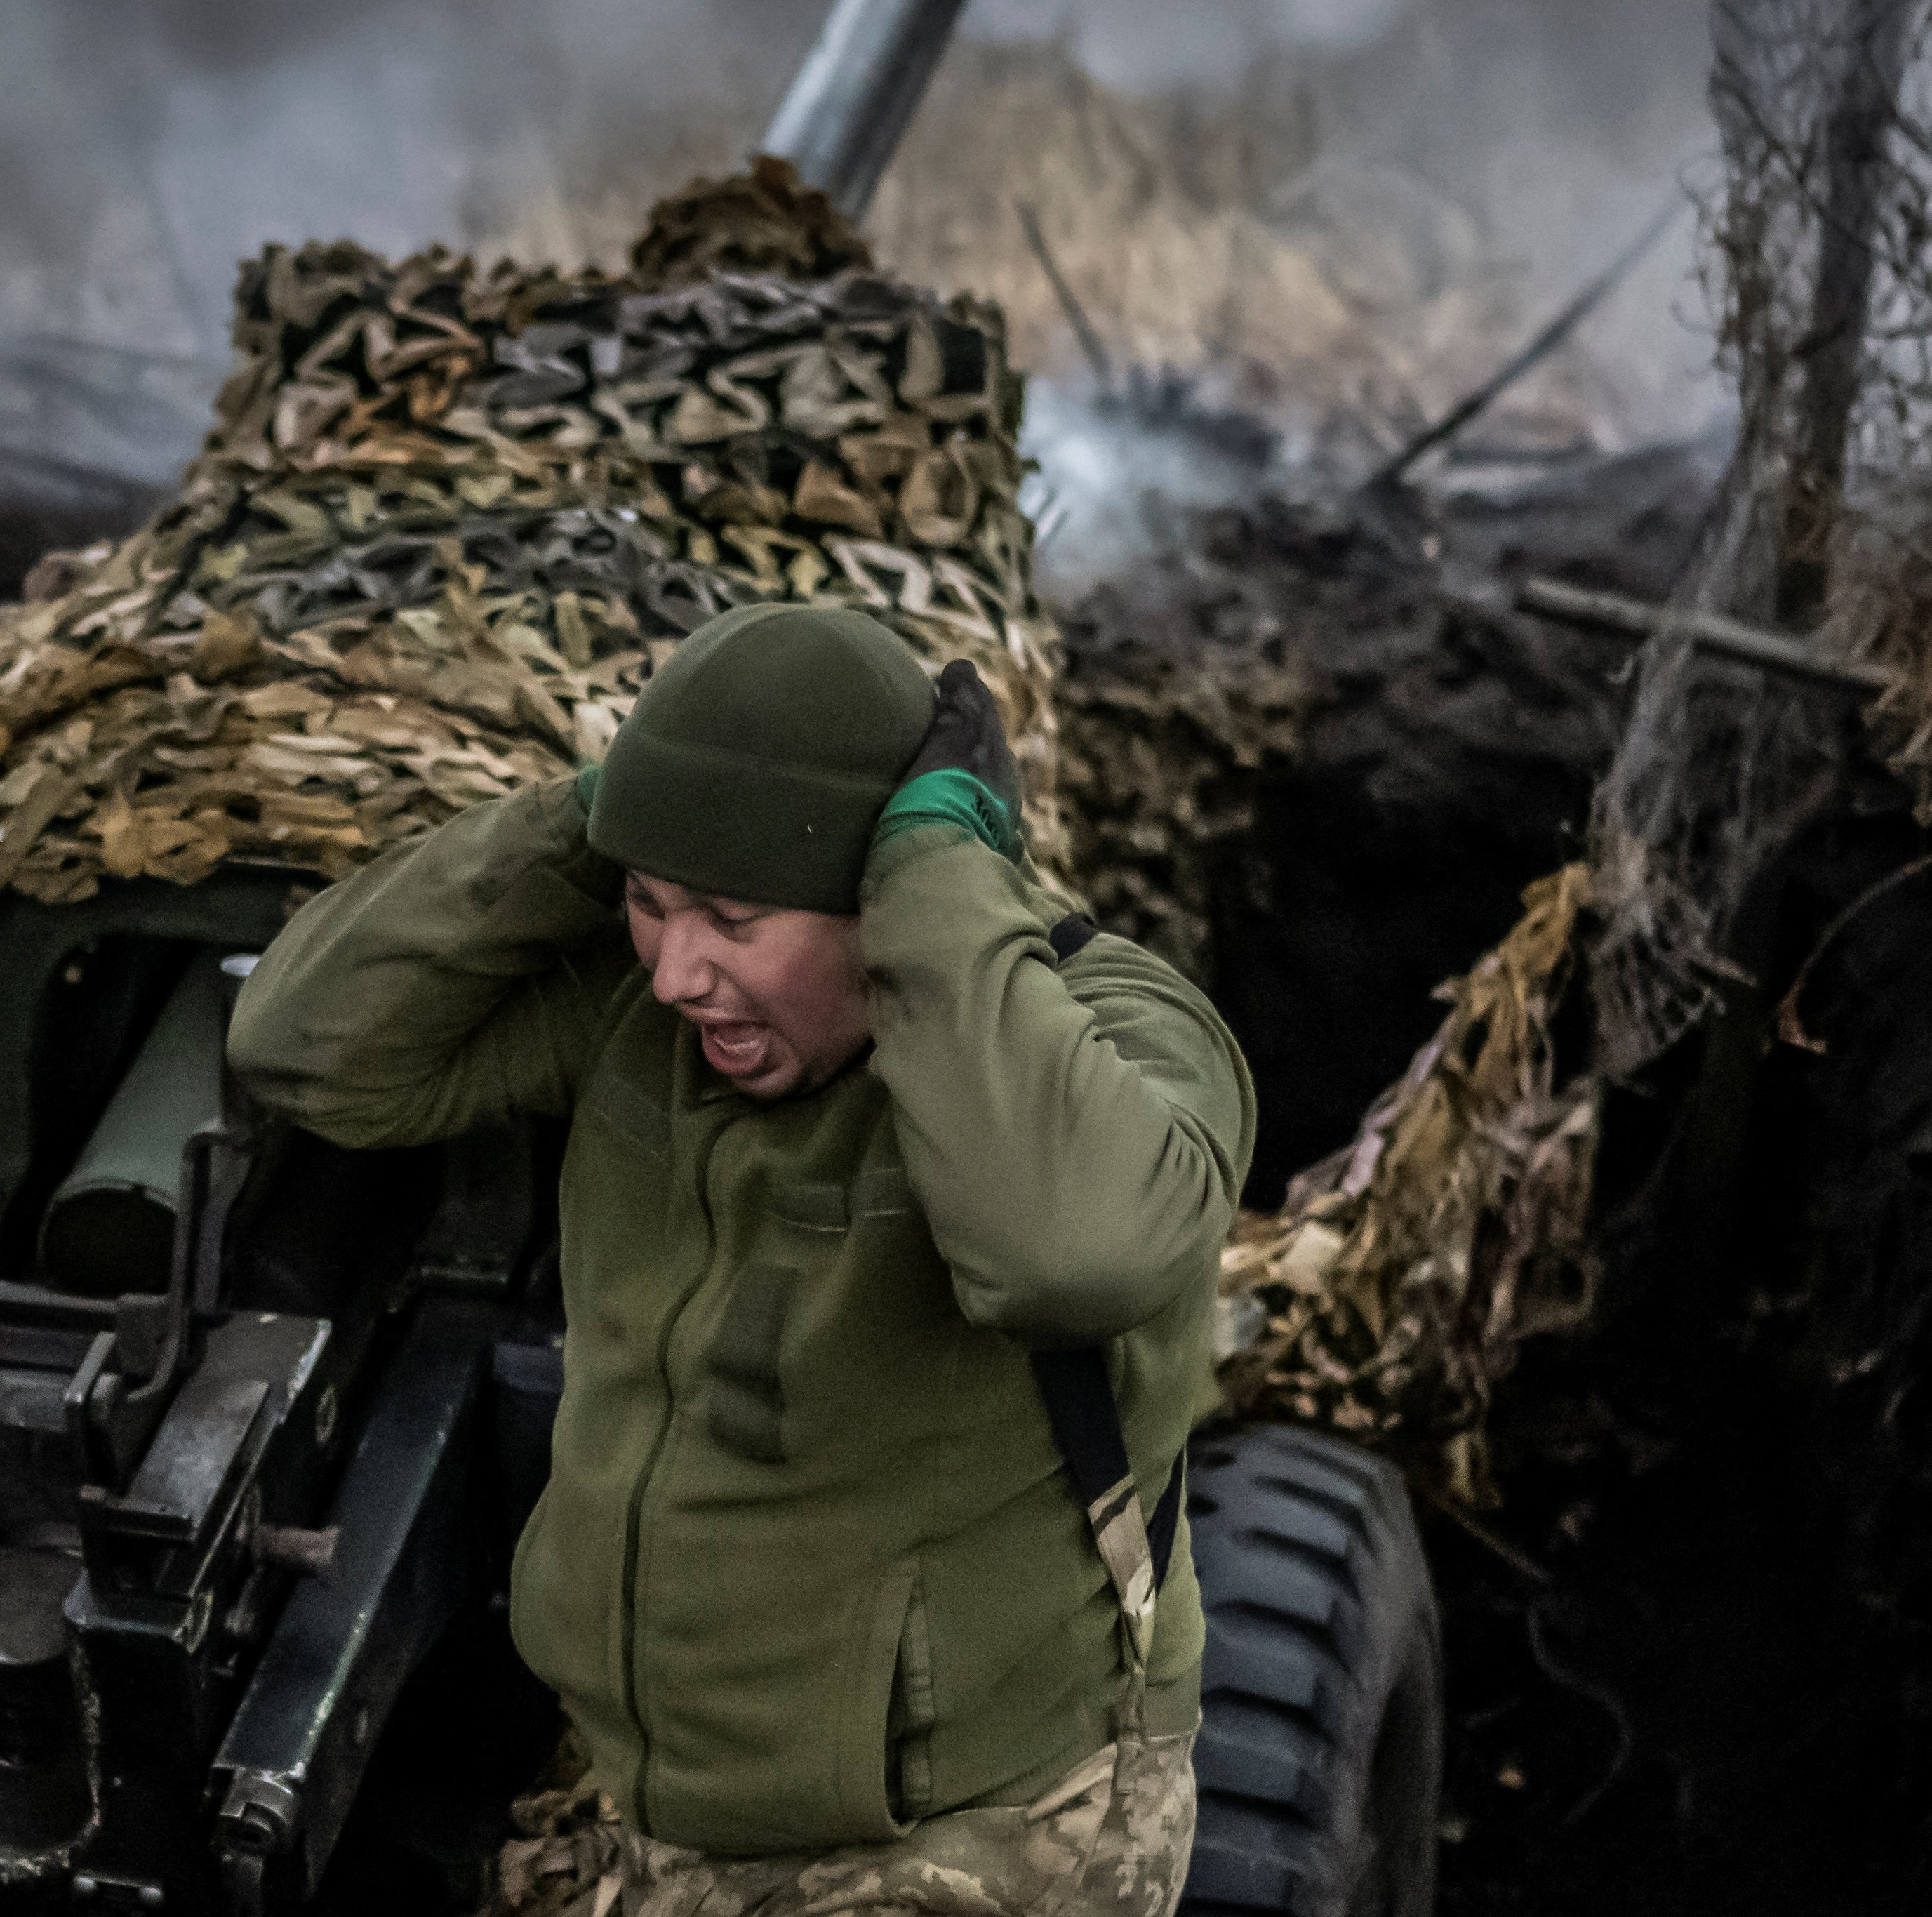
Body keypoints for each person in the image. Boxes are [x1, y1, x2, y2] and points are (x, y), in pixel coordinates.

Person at [227, 604, 1253, 1917]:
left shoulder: (1128, 1034)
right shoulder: (646, 1018)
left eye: (731, 914)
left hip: (967, 1841)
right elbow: (305, 1044)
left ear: (881, 898)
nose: (675, 973)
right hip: (656, 1803)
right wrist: (607, 814)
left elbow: (1069, 1254)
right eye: (651, 906)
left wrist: (938, 871)